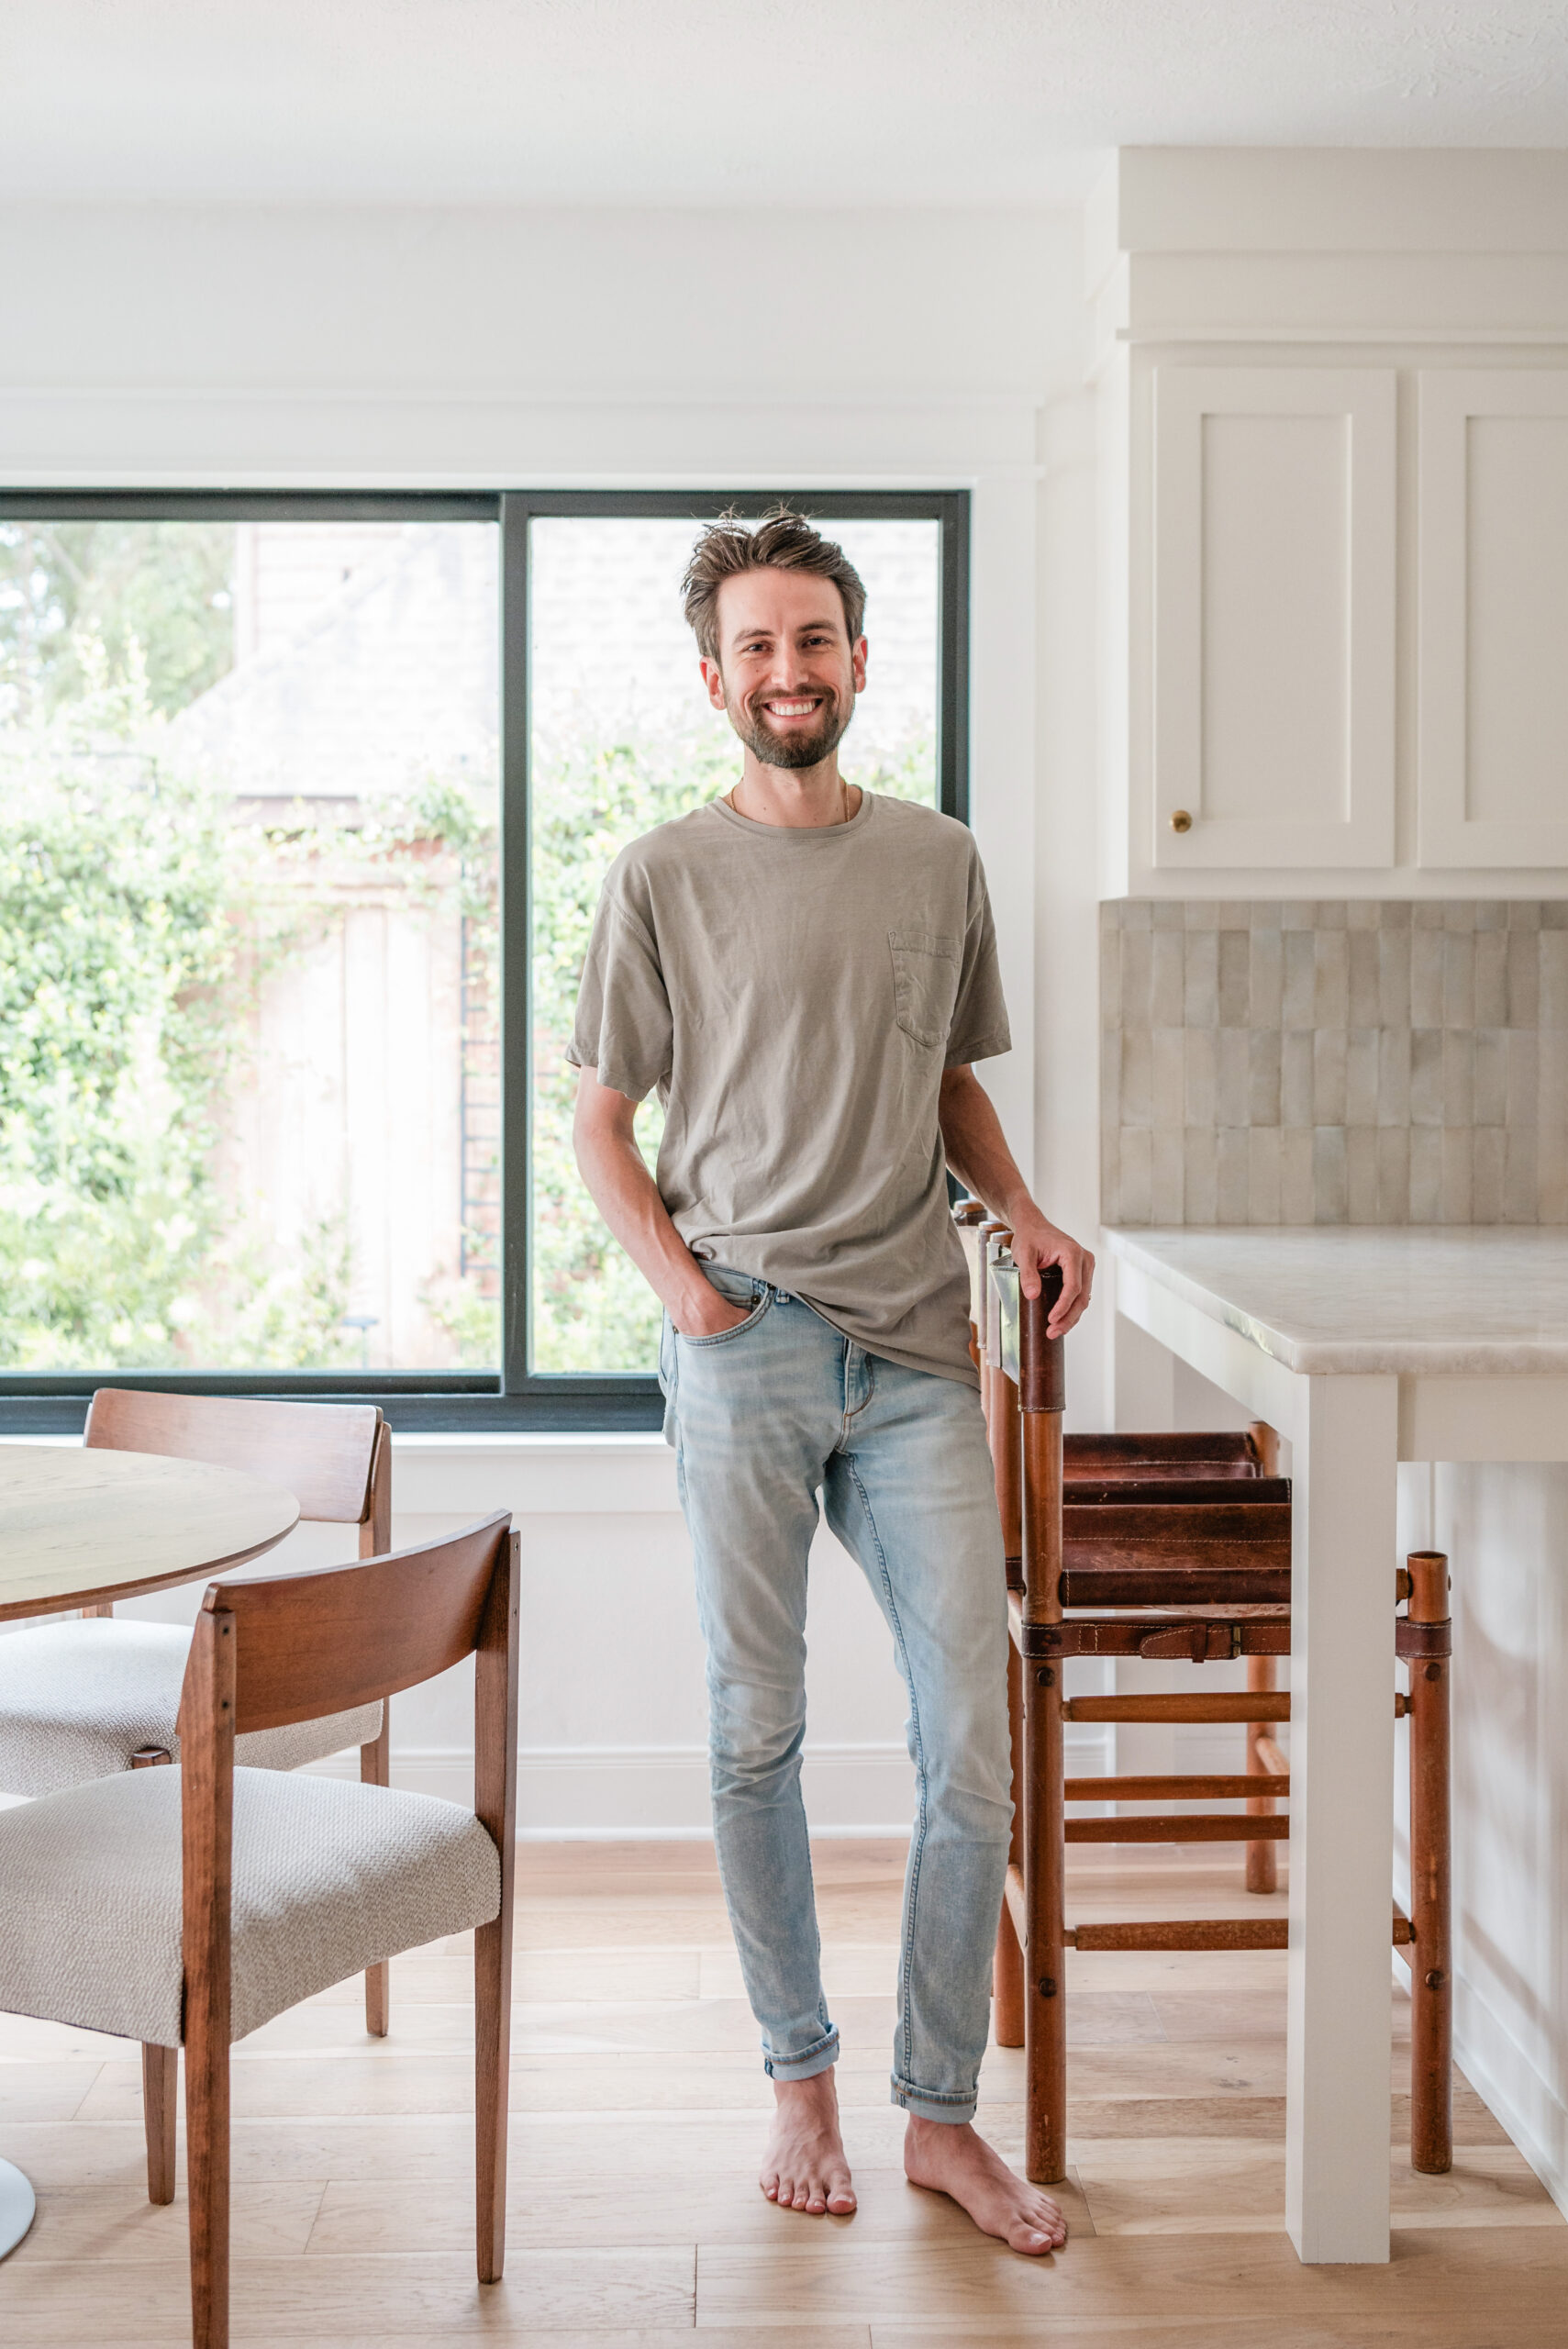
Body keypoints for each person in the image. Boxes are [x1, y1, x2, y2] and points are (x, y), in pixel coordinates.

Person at [569, 509, 1093, 2255]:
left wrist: (1018, 1212)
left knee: (971, 1742)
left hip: (920, 1354)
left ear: (860, 661)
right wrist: (691, 1303)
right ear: (713, 676)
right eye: (757, 647)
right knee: (755, 1733)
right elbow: (598, 1124)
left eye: (816, 640)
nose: (788, 672)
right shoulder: (659, 871)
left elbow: (943, 1078)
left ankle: (936, 2114)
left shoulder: (938, 862)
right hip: (745, 1344)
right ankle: (796, 2076)